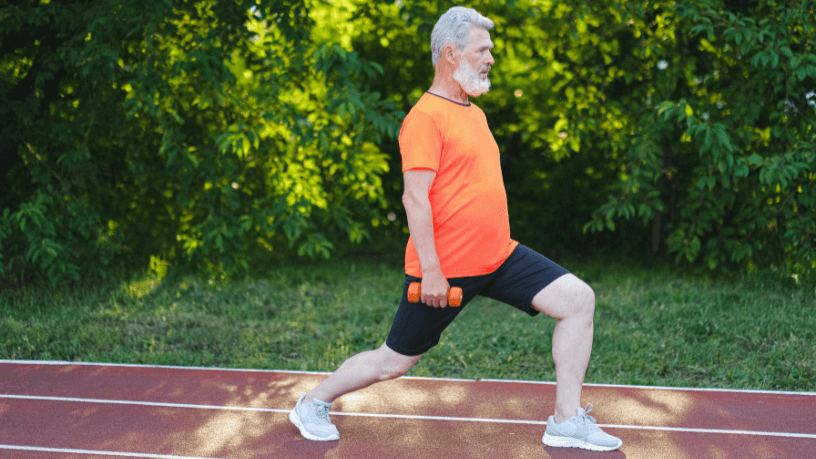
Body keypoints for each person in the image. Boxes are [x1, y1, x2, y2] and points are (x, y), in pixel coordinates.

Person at [289, 6, 622, 452]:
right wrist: (431, 270)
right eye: (483, 49)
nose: (491, 58)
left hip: (499, 256)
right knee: (395, 361)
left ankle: (566, 420)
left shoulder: (474, 113)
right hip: (445, 269)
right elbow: (414, 198)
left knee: (579, 300)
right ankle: (313, 402)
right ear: (451, 53)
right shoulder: (425, 117)